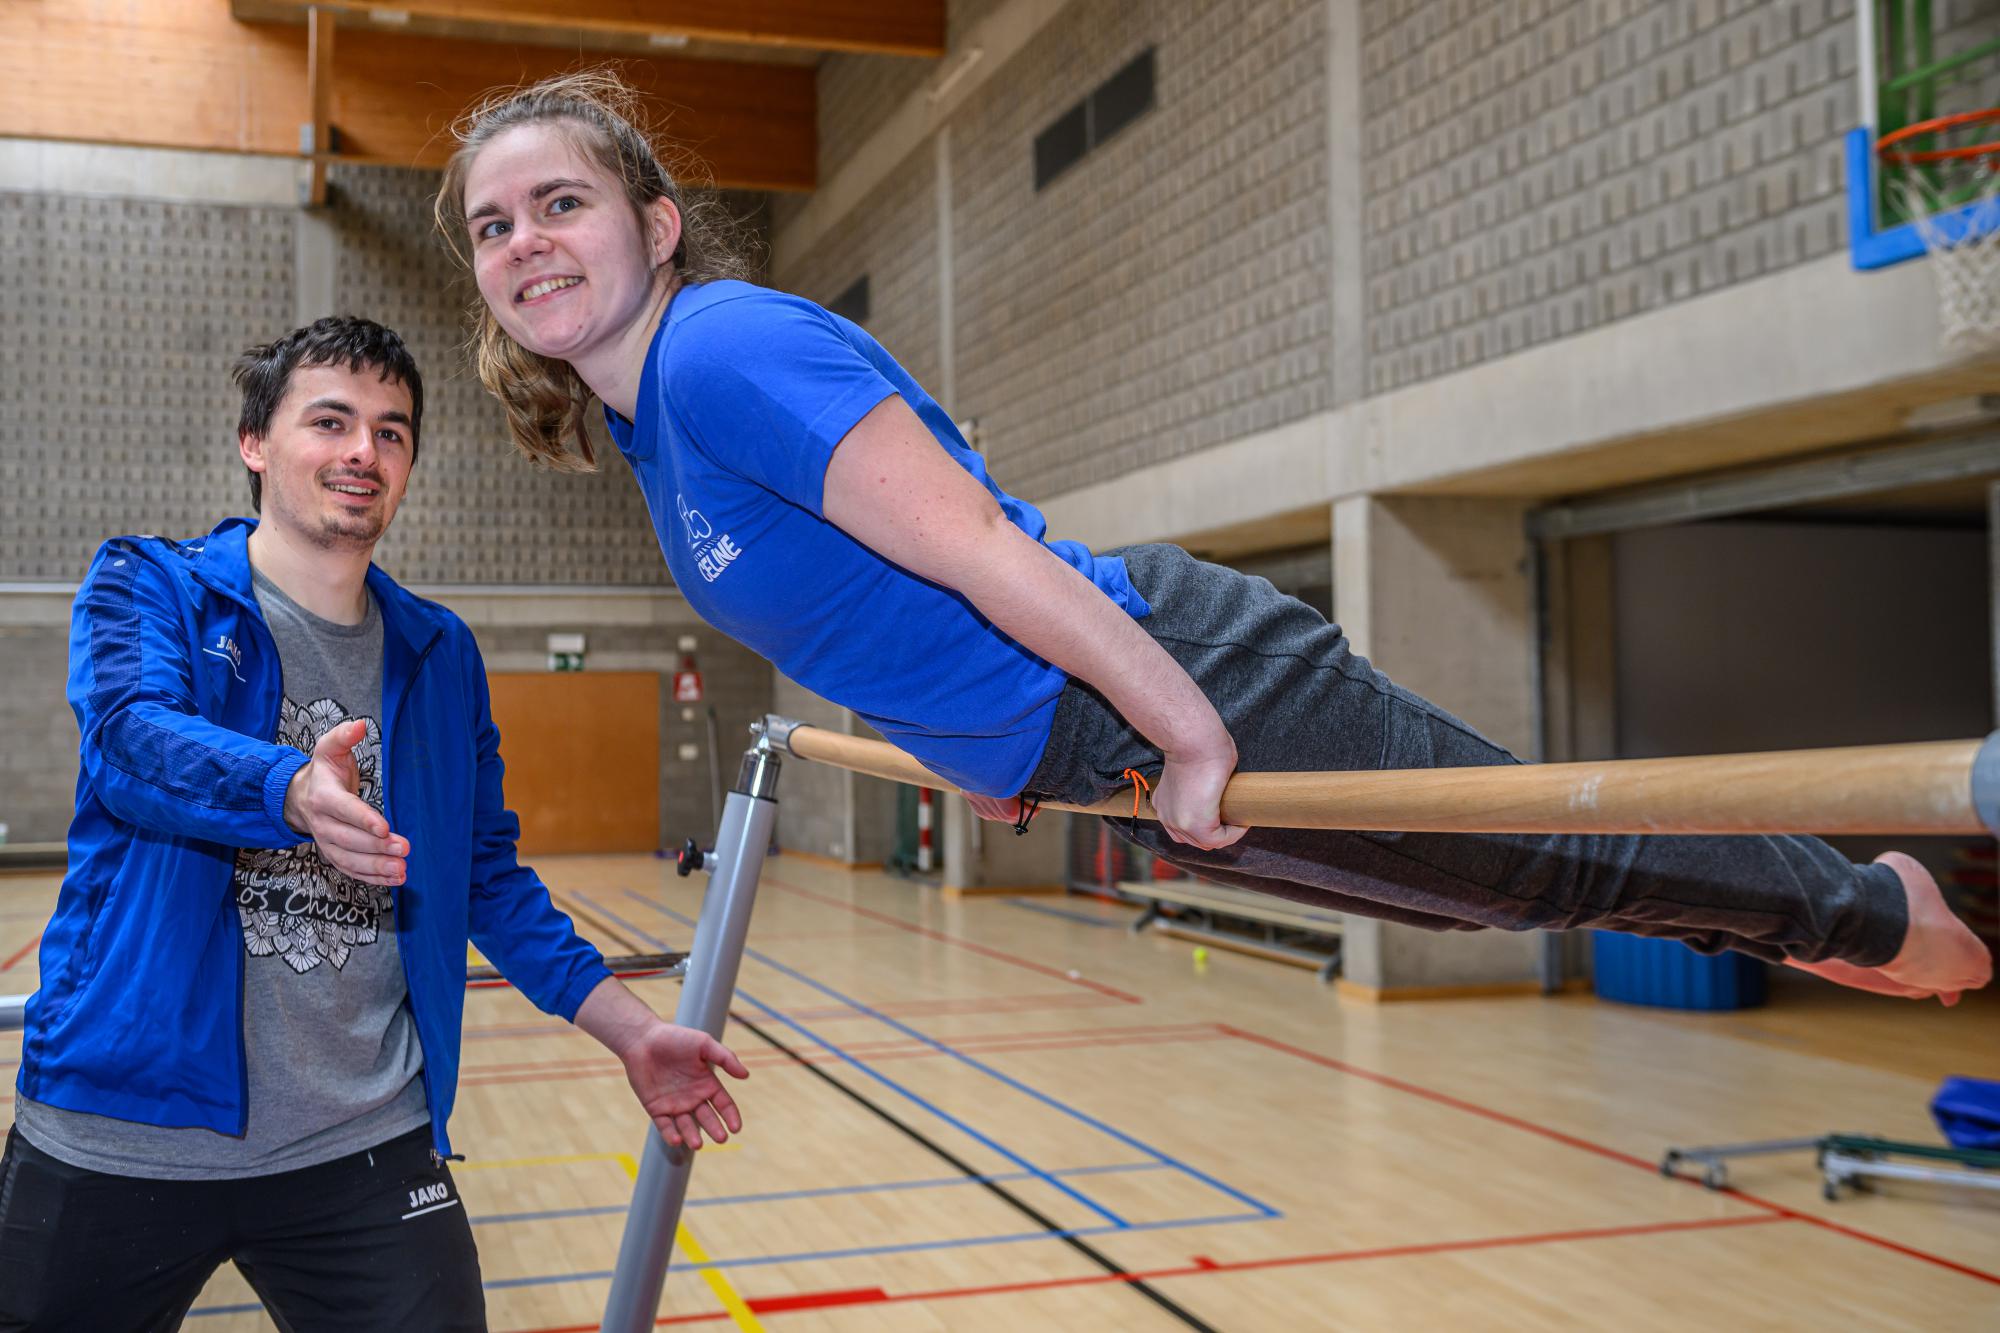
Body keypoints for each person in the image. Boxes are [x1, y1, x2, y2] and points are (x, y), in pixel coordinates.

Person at [429, 71, 1990, 1006]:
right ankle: (1835, 916)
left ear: (656, 220)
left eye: (560, 203)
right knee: (1510, 889)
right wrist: (998, 761)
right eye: (495, 227)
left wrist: (1179, 728)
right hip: (1091, 741)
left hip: (1175, 685)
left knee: (1538, 855)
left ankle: (1867, 910)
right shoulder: (650, 428)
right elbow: (876, 611)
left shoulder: (719, 355)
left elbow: (979, 547)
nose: (528, 246)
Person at [0, 317, 747, 1333]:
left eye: (392, 432)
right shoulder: (150, 586)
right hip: (122, 1131)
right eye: (331, 421)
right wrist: (290, 791)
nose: (364, 451)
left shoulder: (440, 652)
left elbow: (483, 874)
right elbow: (132, 745)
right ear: (254, 442)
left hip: (362, 1142)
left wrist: (631, 1030)